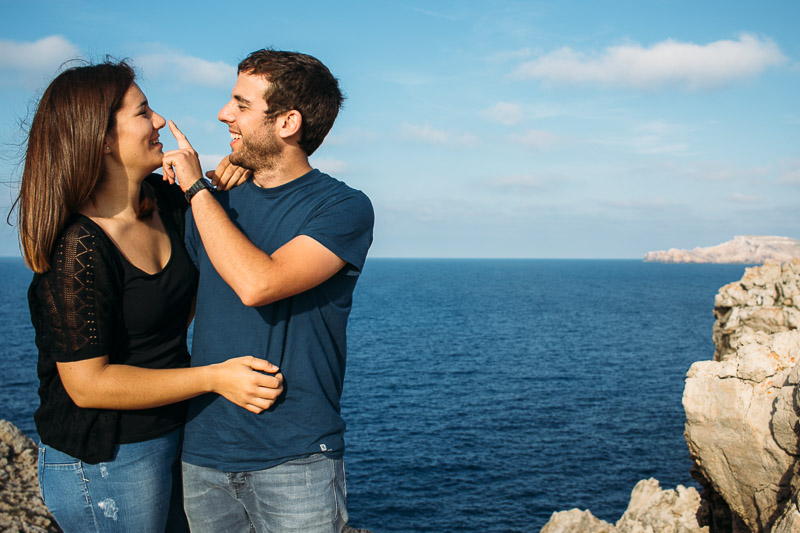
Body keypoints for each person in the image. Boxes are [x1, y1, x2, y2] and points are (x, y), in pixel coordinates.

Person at [17, 61, 284, 533]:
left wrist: (218, 179)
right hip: (106, 458)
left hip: (173, 436)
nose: (159, 120)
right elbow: (88, 385)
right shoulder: (77, 248)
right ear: (100, 138)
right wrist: (214, 378)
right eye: (143, 112)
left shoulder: (166, 204)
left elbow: (182, 301)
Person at [162, 49, 374, 533]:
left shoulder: (342, 207)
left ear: (287, 123)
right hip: (202, 456)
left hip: (295, 459)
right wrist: (207, 190)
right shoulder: (216, 199)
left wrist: (198, 190)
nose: (223, 114)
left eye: (240, 104)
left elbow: (260, 283)